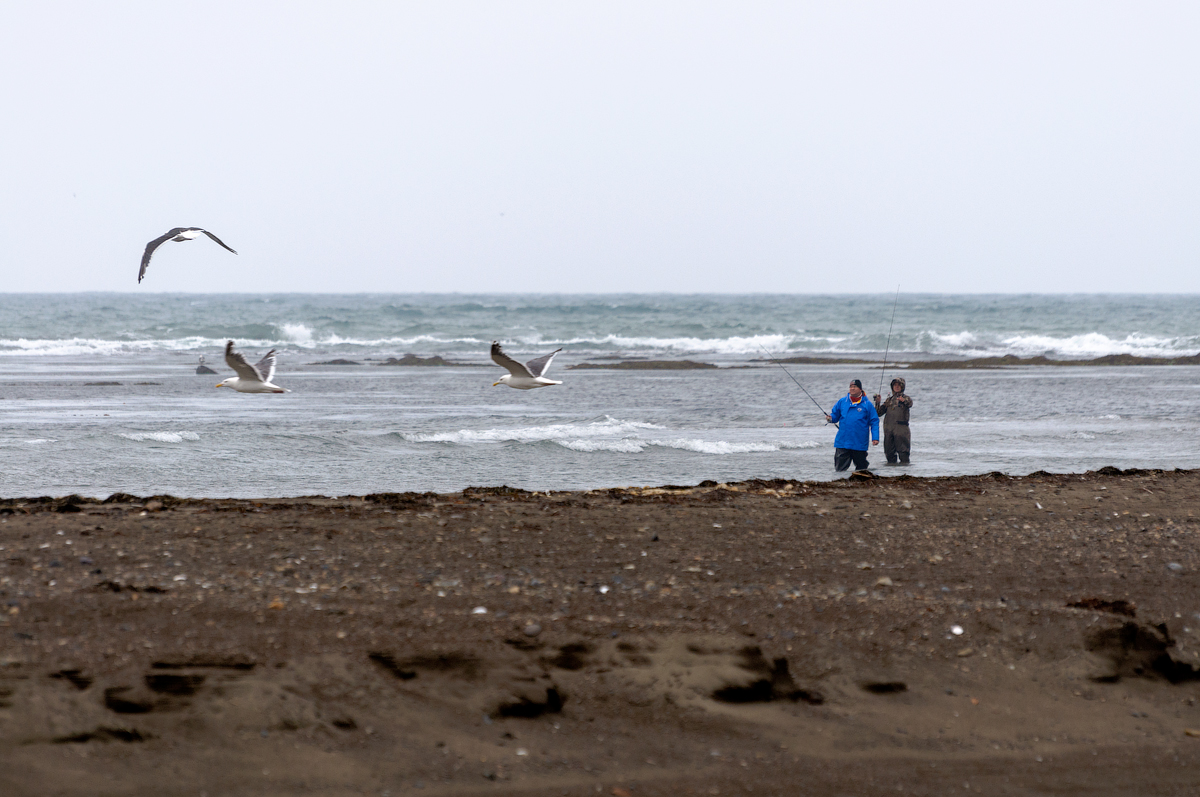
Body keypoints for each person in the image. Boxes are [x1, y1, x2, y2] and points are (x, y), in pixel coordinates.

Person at [824, 379, 879, 472]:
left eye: (855, 387)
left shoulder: (867, 404)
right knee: (839, 470)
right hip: (842, 442)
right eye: (851, 387)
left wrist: (875, 438)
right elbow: (835, 416)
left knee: (862, 470)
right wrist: (830, 418)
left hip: (859, 442)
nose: (852, 388)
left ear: (860, 389)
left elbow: (874, 421)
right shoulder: (842, 401)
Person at [873, 377, 913, 465]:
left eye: (899, 385)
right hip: (888, 430)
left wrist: (903, 400)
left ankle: (904, 473)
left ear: (902, 386)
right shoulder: (889, 400)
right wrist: (877, 403)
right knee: (889, 454)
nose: (897, 387)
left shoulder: (906, 398)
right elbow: (878, 413)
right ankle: (891, 474)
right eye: (895, 385)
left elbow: (910, 403)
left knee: (903, 454)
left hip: (901, 430)